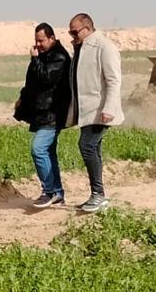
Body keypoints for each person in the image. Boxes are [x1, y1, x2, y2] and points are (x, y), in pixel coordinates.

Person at [67, 13, 124, 214]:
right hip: (87, 110)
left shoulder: (104, 47)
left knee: (87, 146)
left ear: (87, 28)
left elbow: (114, 81)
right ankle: (98, 195)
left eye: (75, 32)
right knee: (93, 148)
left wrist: (109, 108)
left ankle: (98, 194)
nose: (72, 36)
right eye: (70, 33)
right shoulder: (82, 48)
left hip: (100, 110)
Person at [14, 23, 73, 209]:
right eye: (36, 41)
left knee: (38, 149)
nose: (38, 44)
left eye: (41, 41)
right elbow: (32, 82)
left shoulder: (59, 57)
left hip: (53, 114)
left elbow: (46, 78)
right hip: (42, 113)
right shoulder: (44, 56)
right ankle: (57, 193)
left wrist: (35, 59)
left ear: (52, 38)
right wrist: (22, 98)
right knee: (48, 153)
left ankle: (49, 191)